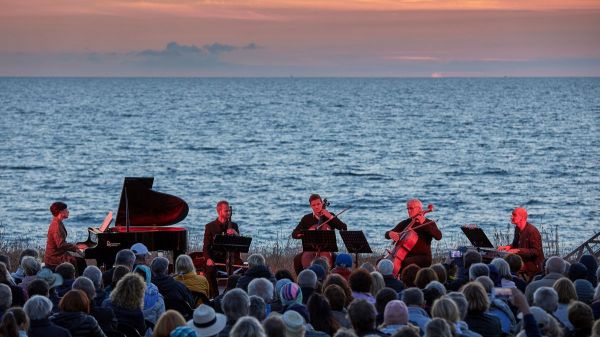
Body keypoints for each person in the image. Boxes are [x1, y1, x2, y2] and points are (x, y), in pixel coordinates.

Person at [292, 194, 347, 275]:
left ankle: (332, 281)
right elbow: (294, 234)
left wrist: (330, 216)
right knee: (297, 259)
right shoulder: (306, 219)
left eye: (318, 204)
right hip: (310, 250)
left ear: (322, 204)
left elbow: (343, 228)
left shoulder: (330, 216)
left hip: (327, 250)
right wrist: (306, 232)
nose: (316, 207)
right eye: (313, 205)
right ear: (311, 206)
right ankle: (301, 281)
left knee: (338, 260)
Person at [385, 199, 442, 274]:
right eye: (408, 208)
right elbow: (387, 234)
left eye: (411, 208)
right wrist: (390, 234)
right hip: (405, 256)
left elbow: (438, 236)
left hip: (423, 257)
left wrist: (423, 223)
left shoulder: (428, 223)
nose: (408, 211)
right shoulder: (406, 223)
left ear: (419, 209)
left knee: (405, 262)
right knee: (382, 261)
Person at [203, 200, 240, 297]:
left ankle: (231, 294)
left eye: (229, 211)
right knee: (210, 271)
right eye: (226, 211)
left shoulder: (234, 225)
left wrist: (235, 234)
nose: (229, 213)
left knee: (243, 271)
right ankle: (215, 296)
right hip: (216, 259)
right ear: (219, 212)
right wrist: (208, 259)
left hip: (231, 259)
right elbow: (206, 247)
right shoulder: (210, 227)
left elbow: (240, 244)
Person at [497, 207, 544, 281]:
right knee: (501, 262)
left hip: (532, 265)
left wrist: (518, 250)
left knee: (506, 266)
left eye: (514, 215)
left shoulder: (532, 231)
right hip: (521, 260)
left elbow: (536, 252)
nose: (511, 217)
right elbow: (515, 245)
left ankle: (511, 284)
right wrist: (508, 247)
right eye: (512, 215)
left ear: (522, 218)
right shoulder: (517, 228)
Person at [44, 202, 86, 274]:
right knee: (78, 260)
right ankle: (76, 280)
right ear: (61, 212)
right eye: (66, 210)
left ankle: (79, 279)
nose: (68, 211)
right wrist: (76, 247)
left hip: (56, 254)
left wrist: (75, 247)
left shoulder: (57, 221)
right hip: (54, 257)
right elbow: (61, 244)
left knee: (80, 260)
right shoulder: (56, 225)